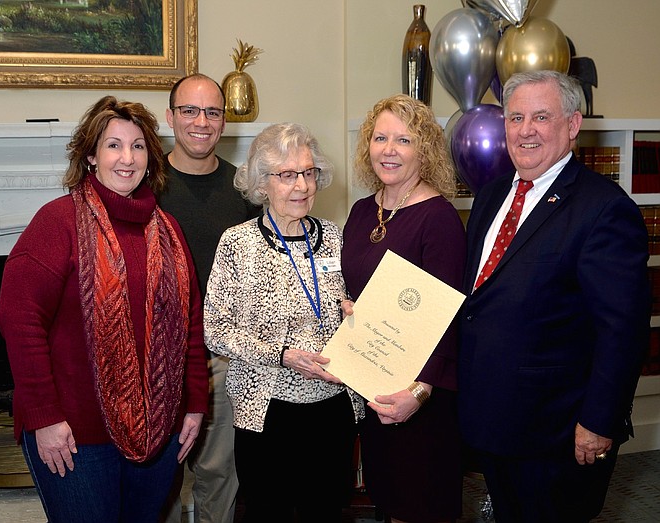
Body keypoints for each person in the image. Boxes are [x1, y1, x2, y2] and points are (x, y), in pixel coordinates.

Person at [0, 96, 209, 522]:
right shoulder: (57, 222)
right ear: (91, 156)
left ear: (150, 158)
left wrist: (195, 403)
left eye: (137, 146)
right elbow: (19, 319)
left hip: (159, 434)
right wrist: (44, 416)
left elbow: (190, 323)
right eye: (113, 145)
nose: (126, 158)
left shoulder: (169, 231)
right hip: (73, 437)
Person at [458, 70, 650, 523]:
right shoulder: (489, 196)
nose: (526, 130)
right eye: (516, 117)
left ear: (573, 124)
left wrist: (600, 421)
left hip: (558, 429)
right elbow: (478, 299)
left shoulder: (605, 208)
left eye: (541, 117)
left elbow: (622, 331)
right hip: (493, 416)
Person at [203, 122, 365, 523]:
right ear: (262, 183)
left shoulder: (336, 236)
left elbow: (355, 307)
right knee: (268, 513)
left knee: (326, 512)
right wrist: (281, 355)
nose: (302, 185)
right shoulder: (237, 243)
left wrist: (357, 314)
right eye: (287, 175)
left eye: (308, 173)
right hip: (268, 411)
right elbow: (216, 330)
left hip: (333, 407)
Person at [340, 94, 466, 523]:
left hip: (419, 397)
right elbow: (357, 287)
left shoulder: (439, 218)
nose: (388, 150)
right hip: (374, 384)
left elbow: (446, 318)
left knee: (420, 504)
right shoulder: (361, 212)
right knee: (388, 498)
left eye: (403, 140)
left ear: (424, 149)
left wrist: (420, 390)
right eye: (380, 138)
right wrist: (349, 309)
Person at [159, 73, 260, 523]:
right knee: (159, 476)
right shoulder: (143, 184)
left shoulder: (245, 190)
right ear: (171, 117)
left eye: (212, 112)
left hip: (221, 358)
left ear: (224, 121)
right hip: (156, 360)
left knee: (218, 476)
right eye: (189, 111)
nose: (201, 122)